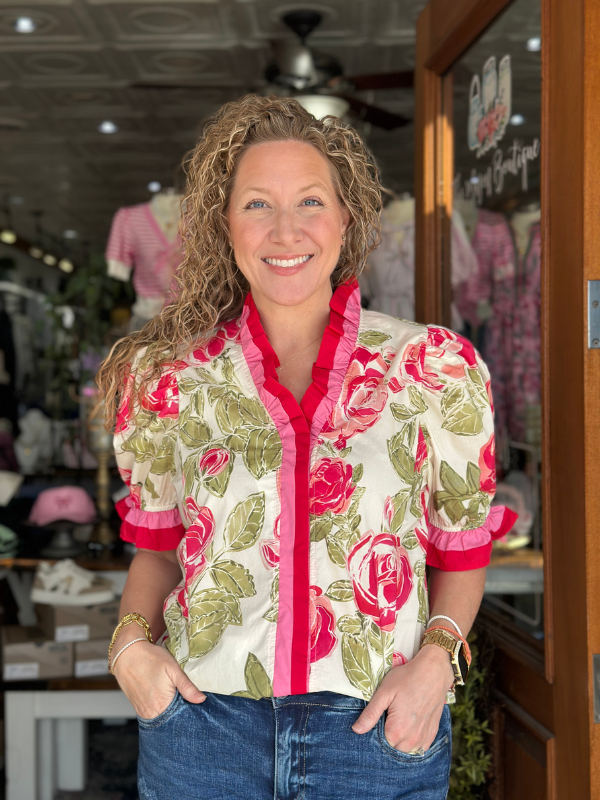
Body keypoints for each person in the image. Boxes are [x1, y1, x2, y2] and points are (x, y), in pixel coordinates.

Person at [97, 95, 515, 800]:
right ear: (224, 226)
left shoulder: (433, 368)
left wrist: (437, 662)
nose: (285, 229)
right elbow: (157, 548)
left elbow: (463, 550)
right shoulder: (168, 380)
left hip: (378, 732)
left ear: (346, 218)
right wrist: (129, 648)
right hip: (204, 733)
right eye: (257, 204)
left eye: (310, 201)